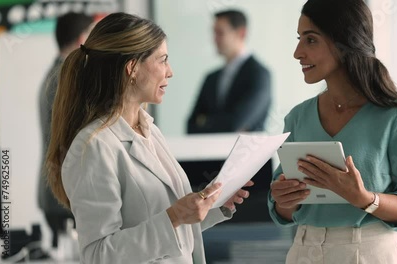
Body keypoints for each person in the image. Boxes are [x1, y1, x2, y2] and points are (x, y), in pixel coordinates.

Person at [45, 12, 251, 264]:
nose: (170, 72)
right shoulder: (93, 147)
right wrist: (173, 217)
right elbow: (98, 254)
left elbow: (167, 227)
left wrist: (214, 205)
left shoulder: (149, 130)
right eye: (163, 60)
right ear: (132, 68)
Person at [267, 0, 397, 263]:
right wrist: (285, 199)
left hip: (371, 253)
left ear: (344, 43)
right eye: (299, 39)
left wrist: (364, 199)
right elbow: (284, 211)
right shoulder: (297, 117)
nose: (297, 53)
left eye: (311, 40)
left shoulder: (395, 118)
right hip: (304, 251)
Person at [38, 11, 94, 248]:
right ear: (82, 39)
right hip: (65, 194)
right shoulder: (67, 78)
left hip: (58, 192)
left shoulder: (55, 74)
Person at [187, 9, 271, 134]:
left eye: (220, 33)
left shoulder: (259, 74)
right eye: (214, 33)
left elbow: (235, 123)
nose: (214, 39)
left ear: (241, 34)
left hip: (250, 152)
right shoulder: (211, 78)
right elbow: (190, 125)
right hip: (212, 153)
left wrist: (206, 121)